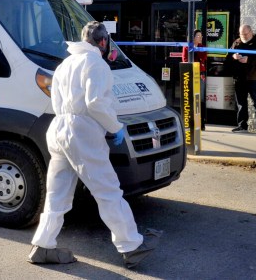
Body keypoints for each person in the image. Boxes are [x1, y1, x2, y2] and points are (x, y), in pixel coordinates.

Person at [28, 21, 162, 270]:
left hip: (59, 128)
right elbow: (96, 103)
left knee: (57, 194)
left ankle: (43, 244)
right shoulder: (97, 64)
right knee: (107, 189)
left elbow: (58, 100)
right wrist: (115, 127)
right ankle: (131, 245)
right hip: (83, 131)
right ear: (103, 42)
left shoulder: (65, 64)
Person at [225, 24, 256, 135]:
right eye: (241, 34)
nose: (243, 36)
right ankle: (242, 125)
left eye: (245, 34)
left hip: (254, 78)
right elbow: (227, 57)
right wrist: (233, 57)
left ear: (251, 32)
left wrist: (249, 60)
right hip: (239, 78)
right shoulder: (236, 42)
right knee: (241, 103)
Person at [183, 30, 208, 130]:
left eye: (201, 36)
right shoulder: (186, 46)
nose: (200, 38)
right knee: (190, 98)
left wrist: (198, 50)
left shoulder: (202, 47)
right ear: (192, 37)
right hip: (190, 74)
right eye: (198, 36)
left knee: (200, 98)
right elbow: (185, 60)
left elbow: (204, 58)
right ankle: (190, 121)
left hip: (200, 75)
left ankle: (201, 123)